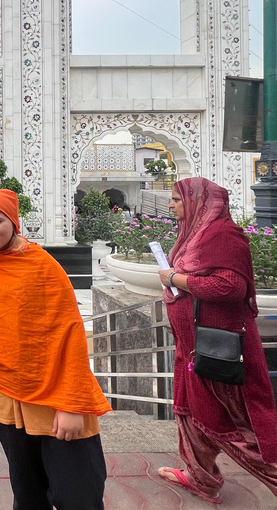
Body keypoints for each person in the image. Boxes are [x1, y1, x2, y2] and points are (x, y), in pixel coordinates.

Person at [0, 190, 111, 510]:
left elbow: (70, 331)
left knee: (77, 491)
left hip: (57, 391)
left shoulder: (40, 265)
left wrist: (71, 404)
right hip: (6, 393)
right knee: (27, 489)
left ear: (13, 222)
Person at [156, 177, 277, 505]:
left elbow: (230, 287)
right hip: (193, 346)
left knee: (234, 424)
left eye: (176, 200)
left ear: (198, 202)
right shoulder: (194, 234)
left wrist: (176, 278)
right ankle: (201, 478)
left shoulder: (223, 235)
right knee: (189, 410)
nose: (170, 206)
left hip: (219, 349)